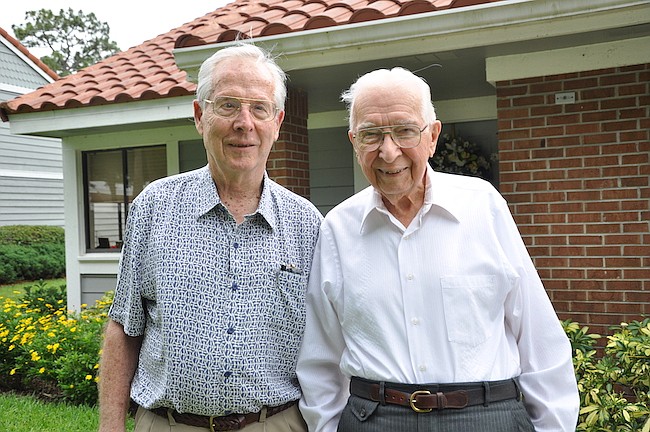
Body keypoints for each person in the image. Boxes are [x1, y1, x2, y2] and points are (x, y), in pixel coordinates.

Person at [296, 67, 580, 432]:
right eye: (371, 134)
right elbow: (322, 356)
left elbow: (539, 337)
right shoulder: (338, 227)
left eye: (404, 131)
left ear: (432, 136)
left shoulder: (483, 206)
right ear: (354, 141)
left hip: (486, 418)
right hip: (375, 420)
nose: (388, 150)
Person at [98, 43, 323, 432]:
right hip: (167, 424)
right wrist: (110, 426)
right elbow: (124, 325)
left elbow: (327, 345)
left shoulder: (307, 224)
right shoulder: (155, 206)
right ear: (200, 116)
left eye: (259, 108)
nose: (244, 123)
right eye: (229, 105)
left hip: (275, 423)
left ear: (278, 121)